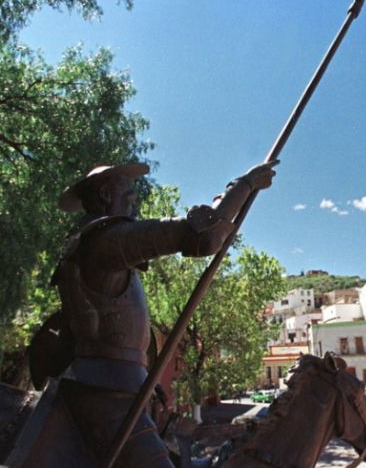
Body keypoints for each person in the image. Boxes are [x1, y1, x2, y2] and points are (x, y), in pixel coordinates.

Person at [49, 160, 278, 467]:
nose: (135, 200)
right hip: (108, 393)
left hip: (121, 386)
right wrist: (244, 186)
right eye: (128, 192)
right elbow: (204, 236)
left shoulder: (89, 242)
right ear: (105, 194)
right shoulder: (106, 240)